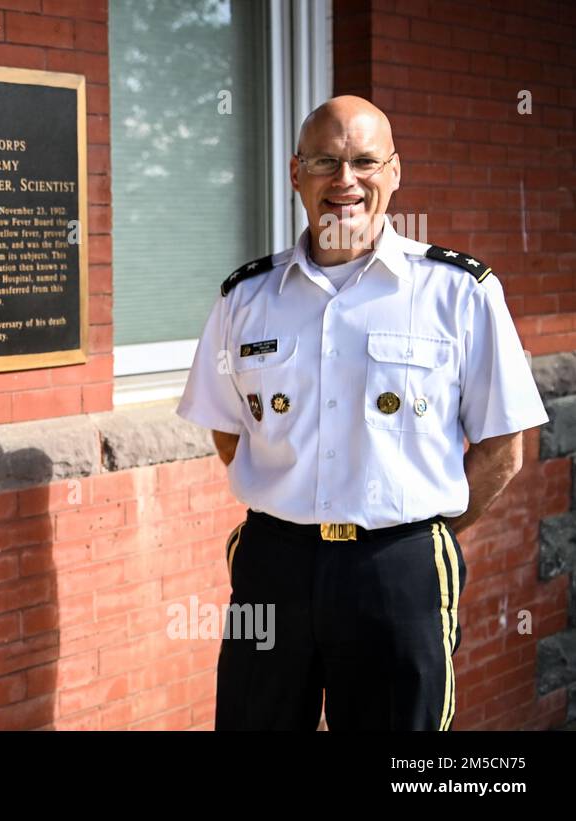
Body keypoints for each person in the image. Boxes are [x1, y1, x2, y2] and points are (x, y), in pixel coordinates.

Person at [176, 95, 548, 730]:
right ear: (296, 173)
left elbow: (501, 451)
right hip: (274, 567)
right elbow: (230, 430)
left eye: (364, 161)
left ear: (395, 172)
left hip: (396, 573)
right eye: (325, 161)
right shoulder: (247, 298)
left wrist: (419, 535)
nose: (344, 181)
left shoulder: (458, 293)